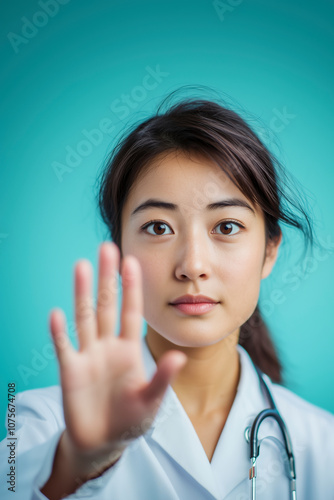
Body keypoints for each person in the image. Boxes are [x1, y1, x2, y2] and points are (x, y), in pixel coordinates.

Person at [1, 91, 334, 500]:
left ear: (269, 250)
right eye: (158, 228)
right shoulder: (39, 423)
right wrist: (73, 464)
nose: (192, 265)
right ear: (121, 251)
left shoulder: (323, 444)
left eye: (226, 227)